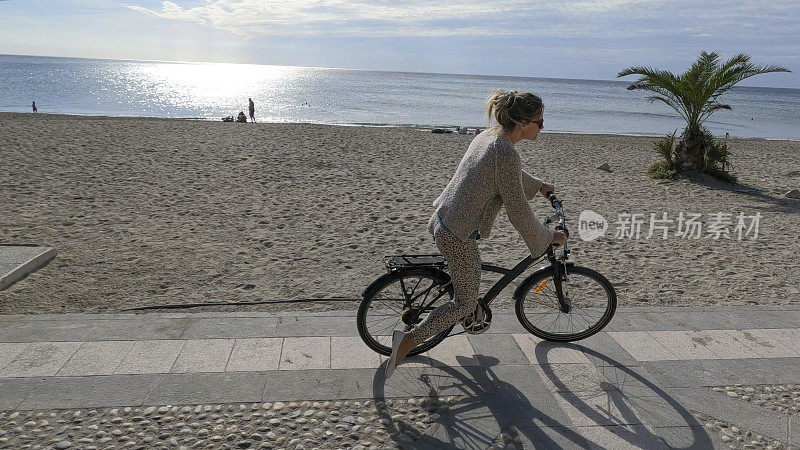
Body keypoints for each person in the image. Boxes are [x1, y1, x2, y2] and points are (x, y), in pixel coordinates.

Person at [385, 89, 566, 378]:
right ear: (523, 123)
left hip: (445, 217)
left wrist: (537, 184)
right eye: (540, 122)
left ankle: (457, 319)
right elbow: (517, 209)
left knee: (467, 286)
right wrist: (547, 237)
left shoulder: (490, 137)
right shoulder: (505, 152)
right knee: (465, 302)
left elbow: (505, 174)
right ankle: (407, 341)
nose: (543, 127)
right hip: (457, 233)